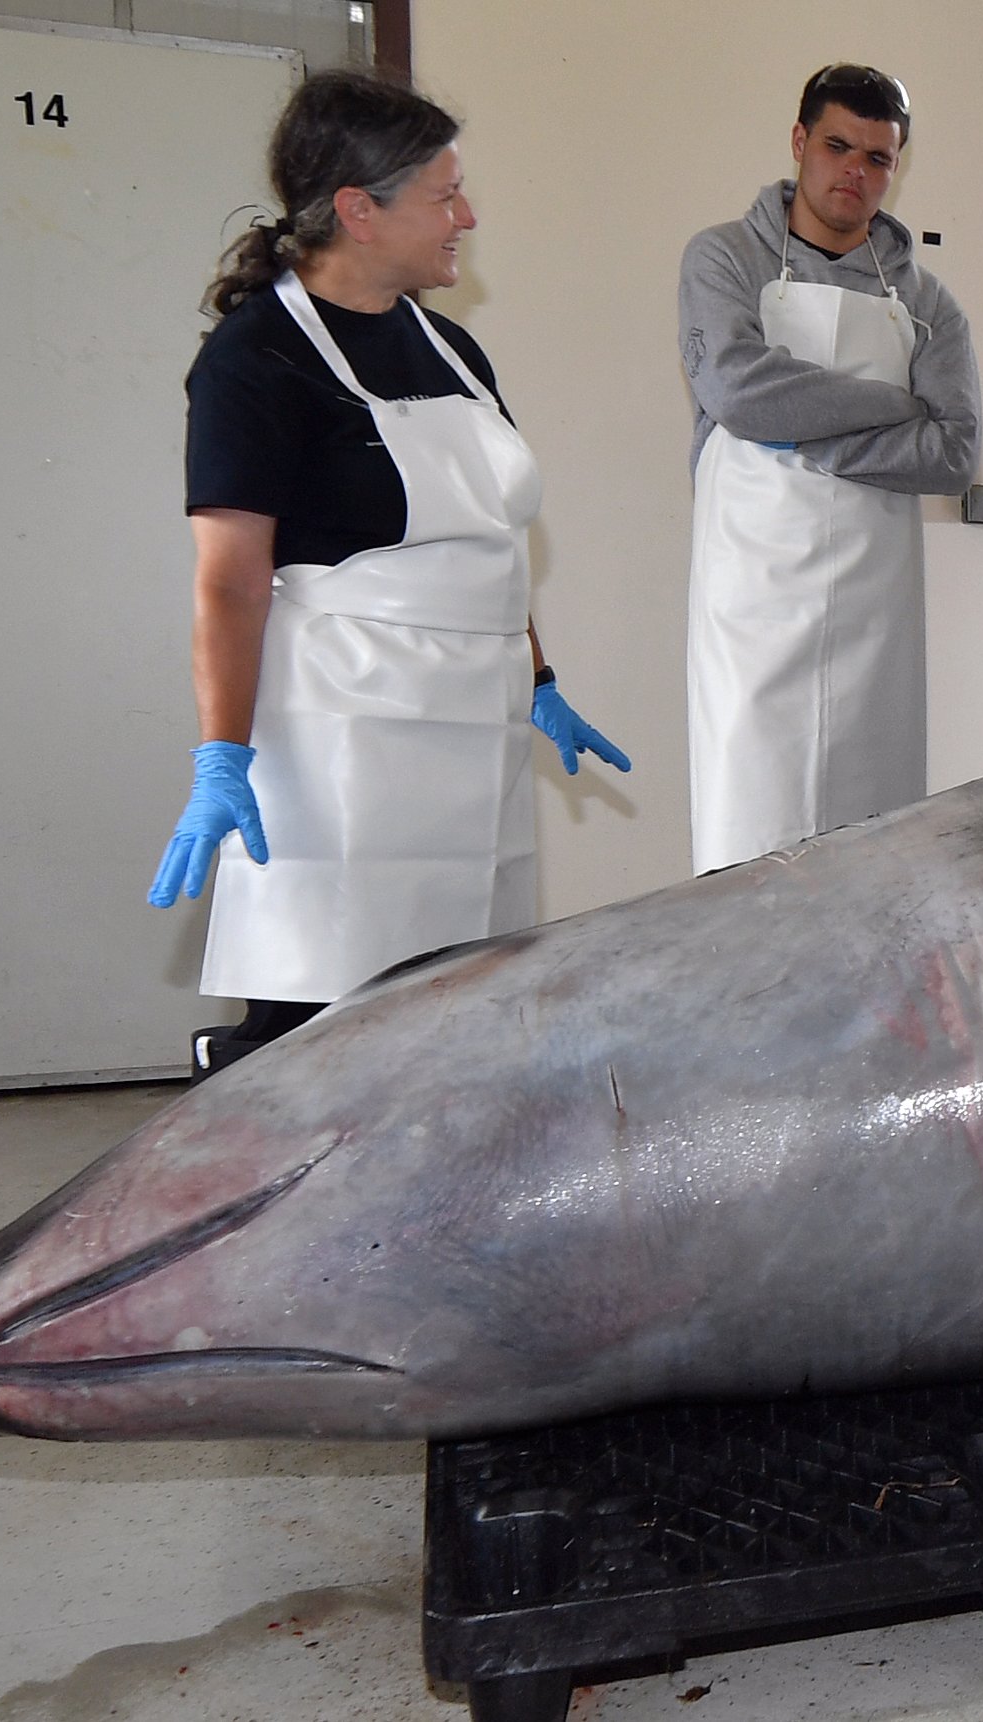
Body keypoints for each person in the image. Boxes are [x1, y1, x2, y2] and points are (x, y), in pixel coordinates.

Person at [148, 72, 628, 1075]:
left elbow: (490, 541)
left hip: (473, 735)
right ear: (359, 212)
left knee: (455, 1007)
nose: (467, 215)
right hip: (342, 741)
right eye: (443, 195)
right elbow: (231, 580)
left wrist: (537, 677)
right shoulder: (255, 360)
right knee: (319, 1026)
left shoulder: (450, 349)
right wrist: (219, 758)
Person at [676, 64, 981, 873]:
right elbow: (740, 393)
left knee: (869, 852)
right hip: (752, 613)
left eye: (878, 157)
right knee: (750, 841)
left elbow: (953, 451)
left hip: (876, 621)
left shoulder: (928, 301)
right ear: (799, 141)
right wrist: (893, 403)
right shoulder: (723, 258)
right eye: (839, 146)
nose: (856, 171)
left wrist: (802, 436)